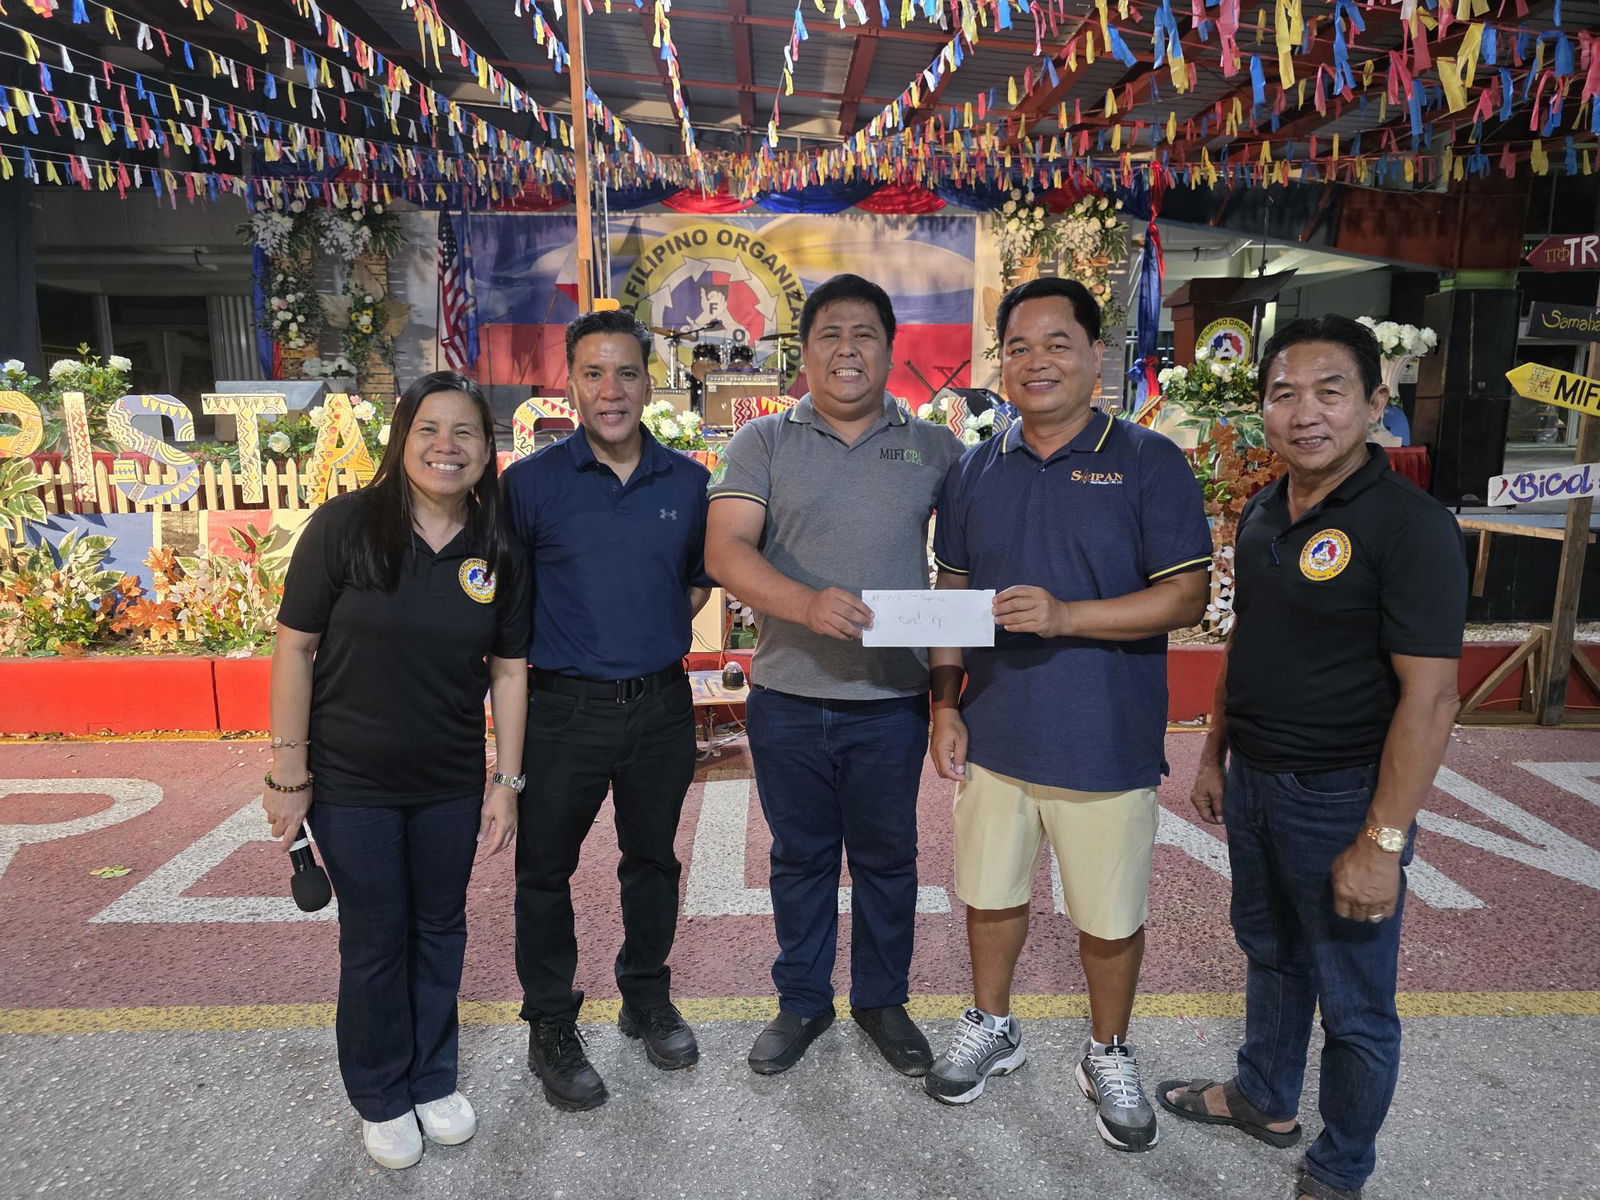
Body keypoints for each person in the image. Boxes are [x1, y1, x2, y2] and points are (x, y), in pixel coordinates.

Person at [1157, 315, 1467, 1200]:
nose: (1305, 413)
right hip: (1256, 780)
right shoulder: (1265, 509)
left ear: (1375, 403)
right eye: (1284, 394)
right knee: (1270, 951)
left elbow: (1432, 698)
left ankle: (1339, 1169)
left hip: (1343, 796)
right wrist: (1216, 753)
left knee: (1355, 1000)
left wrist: (1382, 842)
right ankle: (1264, 1097)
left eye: (1330, 392)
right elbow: (1249, 640)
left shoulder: (1410, 527)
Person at [923, 277, 1211, 1152]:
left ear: (1095, 355)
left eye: (1057, 343)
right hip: (997, 727)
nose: (1036, 361)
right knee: (988, 893)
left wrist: (1066, 616)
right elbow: (952, 592)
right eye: (1018, 345)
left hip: (1104, 732)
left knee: (1110, 913)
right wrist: (945, 701)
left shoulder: (1148, 461)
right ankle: (993, 1023)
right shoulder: (974, 467)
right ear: (1000, 361)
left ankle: (1107, 1049)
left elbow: (1186, 595)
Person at [265, 370, 529, 1170]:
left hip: (449, 781)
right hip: (353, 785)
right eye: (429, 429)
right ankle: (381, 1094)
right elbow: (295, 648)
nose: (447, 446)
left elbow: (509, 669)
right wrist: (289, 772)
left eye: (465, 432)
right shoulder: (345, 527)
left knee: (442, 929)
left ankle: (431, 1079)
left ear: (487, 448)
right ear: (402, 440)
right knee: (377, 939)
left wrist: (506, 783)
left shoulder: (496, 544)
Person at [704, 273, 964, 1077]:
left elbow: (963, 572)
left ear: (889, 350)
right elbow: (725, 550)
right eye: (830, 335)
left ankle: (882, 1001)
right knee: (800, 858)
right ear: (805, 352)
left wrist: (946, 699)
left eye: (864, 335)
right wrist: (805, 603)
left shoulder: (934, 448)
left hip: (890, 702)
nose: (847, 350)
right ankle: (803, 1001)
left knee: (889, 860)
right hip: (787, 697)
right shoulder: (762, 442)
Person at [503, 308, 713, 1112]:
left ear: (648, 384)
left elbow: (694, 584)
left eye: (627, 372)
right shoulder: (529, 486)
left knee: (653, 861)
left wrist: (645, 635)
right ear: (571, 385)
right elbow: (508, 609)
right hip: (562, 711)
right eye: (594, 373)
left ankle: (645, 996)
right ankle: (551, 1025)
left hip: (660, 706)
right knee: (544, 872)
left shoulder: (687, 482)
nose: (611, 389)